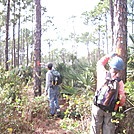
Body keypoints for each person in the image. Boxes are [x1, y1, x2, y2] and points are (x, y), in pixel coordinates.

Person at [90, 53, 126, 134]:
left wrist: (110, 56)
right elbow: (122, 98)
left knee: (95, 127)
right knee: (108, 129)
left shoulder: (102, 73)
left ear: (110, 67)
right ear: (120, 70)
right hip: (109, 109)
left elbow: (100, 63)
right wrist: (118, 105)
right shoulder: (119, 82)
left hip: (97, 106)